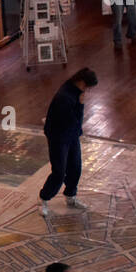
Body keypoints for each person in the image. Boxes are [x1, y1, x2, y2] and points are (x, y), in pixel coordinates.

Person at [38, 67, 97, 216]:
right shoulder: (65, 97)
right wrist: (81, 105)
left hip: (70, 135)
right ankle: (44, 199)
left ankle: (71, 195)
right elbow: (76, 121)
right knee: (59, 172)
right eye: (87, 87)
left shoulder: (75, 90)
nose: (87, 90)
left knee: (75, 167)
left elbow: (75, 125)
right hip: (58, 137)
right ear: (81, 82)